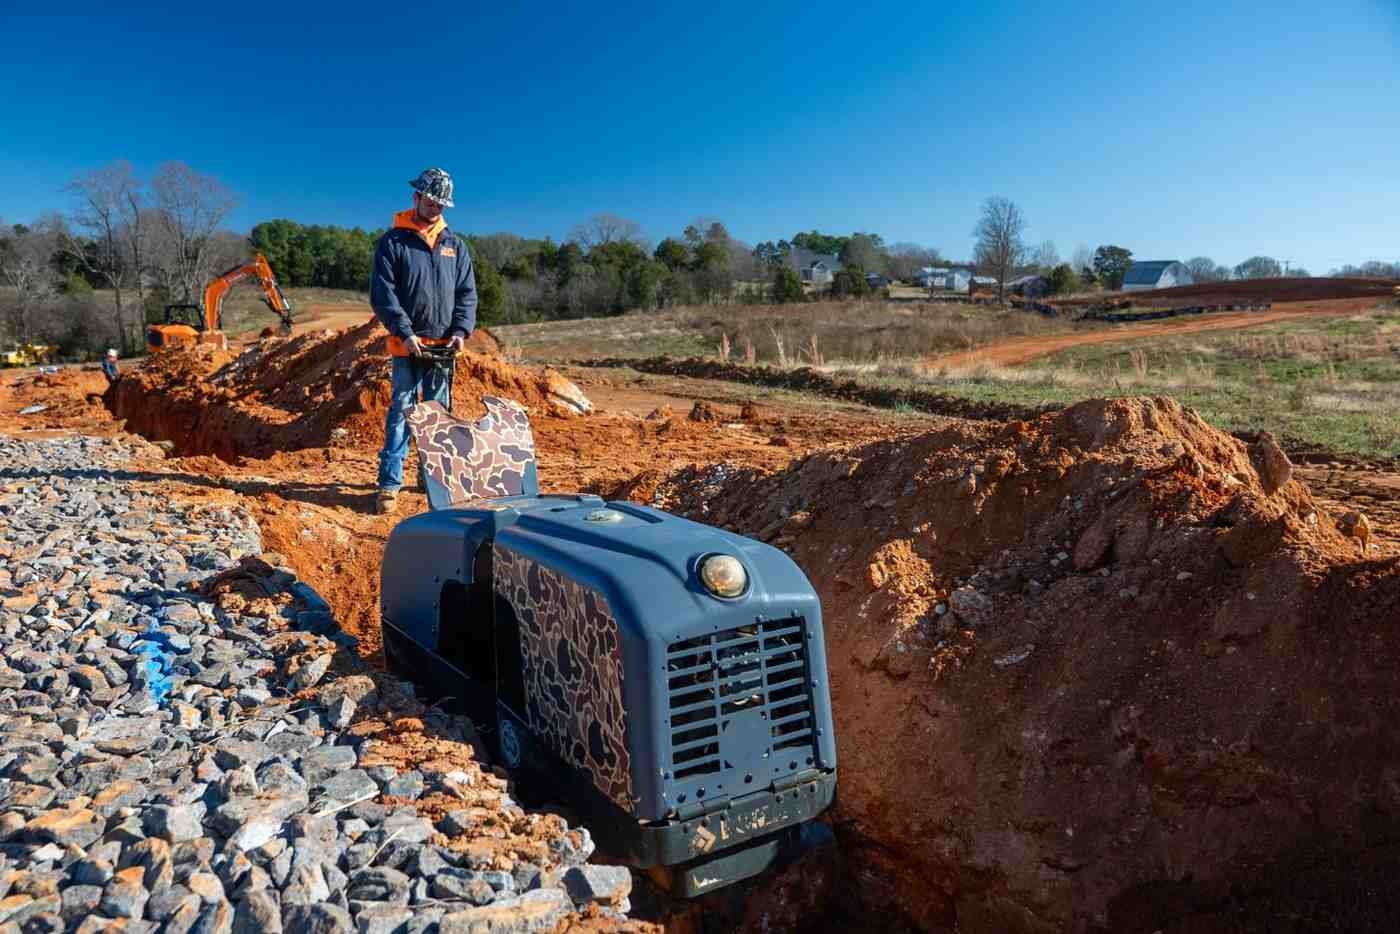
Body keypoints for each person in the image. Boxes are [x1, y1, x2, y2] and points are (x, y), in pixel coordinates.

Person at [369, 168, 478, 515]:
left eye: (441, 204)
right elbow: (382, 294)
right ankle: (389, 485)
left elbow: (467, 294)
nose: (435, 209)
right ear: (416, 197)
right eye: (431, 202)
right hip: (407, 345)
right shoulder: (393, 242)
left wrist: (461, 331)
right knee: (401, 412)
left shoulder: (454, 245)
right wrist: (404, 331)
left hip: (443, 348)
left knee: (437, 417)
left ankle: (431, 479)